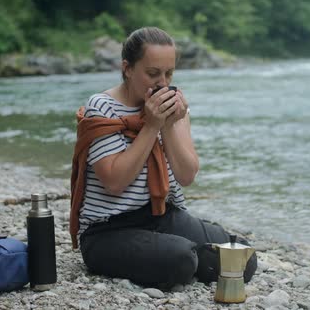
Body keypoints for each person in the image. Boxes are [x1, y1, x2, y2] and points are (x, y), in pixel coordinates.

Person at [70, 27, 257, 289]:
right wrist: (151, 126)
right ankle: (190, 256)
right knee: (180, 260)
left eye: (169, 73)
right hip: (108, 230)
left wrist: (169, 125)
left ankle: (191, 254)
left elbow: (186, 175)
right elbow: (114, 182)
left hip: (163, 215)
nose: (163, 83)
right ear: (128, 68)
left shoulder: (175, 105)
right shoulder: (102, 107)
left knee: (243, 257)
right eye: (153, 73)